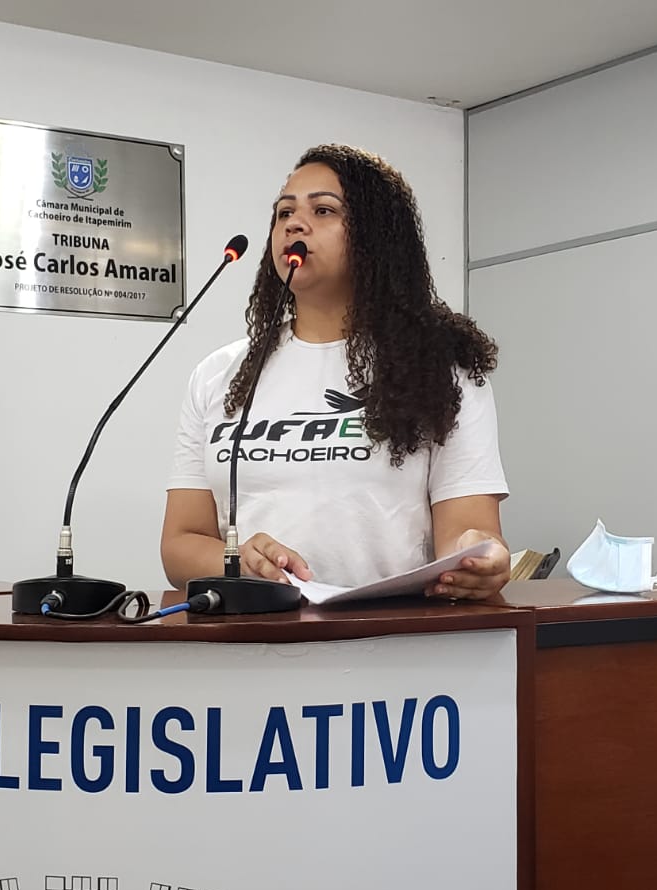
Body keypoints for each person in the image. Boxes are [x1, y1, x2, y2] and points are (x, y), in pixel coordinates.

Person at [160, 144, 511, 601]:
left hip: (390, 634)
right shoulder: (220, 374)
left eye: (323, 210)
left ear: (376, 237)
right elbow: (179, 546)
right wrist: (239, 562)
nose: (294, 224)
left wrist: (481, 557)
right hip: (252, 632)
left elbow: (468, 531)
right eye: (284, 212)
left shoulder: (441, 371)